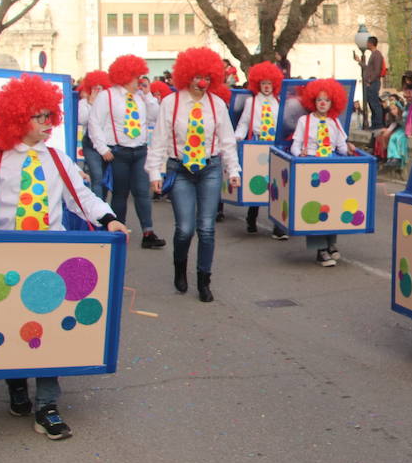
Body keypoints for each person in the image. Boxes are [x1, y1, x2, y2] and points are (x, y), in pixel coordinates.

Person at [0, 74, 128, 439]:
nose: (47, 124)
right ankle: (15, 385)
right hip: (4, 258)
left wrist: (109, 218)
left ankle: (47, 406)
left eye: (49, 116)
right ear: (15, 118)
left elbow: (82, 197)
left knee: (48, 330)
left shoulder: (59, 159)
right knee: (10, 324)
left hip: (49, 257)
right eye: (38, 116)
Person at [147, 47, 240, 302]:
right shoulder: (171, 103)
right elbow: (159, 141)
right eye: (198, 76)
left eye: (208, 77)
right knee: (185, 229)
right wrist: (155, 172)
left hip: (209, 168)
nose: (203, 82)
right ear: (186, 75)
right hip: (180, 170)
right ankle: (180, 268)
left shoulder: (217, 104)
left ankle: (204, 279)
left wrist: (233, 170)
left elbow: (227, 141)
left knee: (207, 228)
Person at [88, 54, 165, 250]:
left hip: (139, 151)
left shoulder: (141, 98)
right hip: (118, 152)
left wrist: (148, 95)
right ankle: (117, 231)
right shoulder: (108, 96)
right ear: (124, 76)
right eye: (135, 76)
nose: (138, 80)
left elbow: (156, 116)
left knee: (142, 192)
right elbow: (94, 123)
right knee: (120, 193)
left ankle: (148, 232)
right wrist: (102, 148)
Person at [290, 78, 356, 267]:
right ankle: (320, 249)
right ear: (313, 101)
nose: (322, 103)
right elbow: (295, 145)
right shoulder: (305, 120)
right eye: (319, 99)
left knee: (332, 205)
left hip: (332, 166)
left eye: (326, 100)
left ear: (332, 102)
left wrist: (349, 148)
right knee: (315, 206)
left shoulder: (335, 122)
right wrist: (299, 155)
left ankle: (331, 243)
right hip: (311, 167)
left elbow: (341, 147)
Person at [234, 61, 287, 240]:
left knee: (276, 185)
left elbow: (284, 124)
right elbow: (243, 122)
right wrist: (238, 138)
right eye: (263, 83)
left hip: (274, 145)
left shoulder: (279, 102)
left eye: (269, 83)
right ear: (258, 84)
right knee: (256, 183)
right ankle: (251, 218)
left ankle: (278, 226)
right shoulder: (251, 102)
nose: (266, 87)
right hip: (256, 145)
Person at [77, 71, 112, 198]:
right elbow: (83, 120)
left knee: (104, 177)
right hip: (90, 144)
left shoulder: (108, 102)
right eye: (94, 87)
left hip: (106, 142)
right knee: (97, 176)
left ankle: (102, 202)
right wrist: (91, 104)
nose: (97, 90)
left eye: (100, 87)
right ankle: (99, 210)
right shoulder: (84, 103)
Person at [354, 35, 385, 130]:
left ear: (371, 43)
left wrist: (370, 81)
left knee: (374, 103)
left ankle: (378, 124)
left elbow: (376, 71)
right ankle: (375, 123)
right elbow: (369, 69)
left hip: (373, 83)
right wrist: (359, 61)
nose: (366, 44)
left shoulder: (377, 55)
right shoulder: (374, 54)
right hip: (371, 83)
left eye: (367, 42)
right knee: (371, 103)